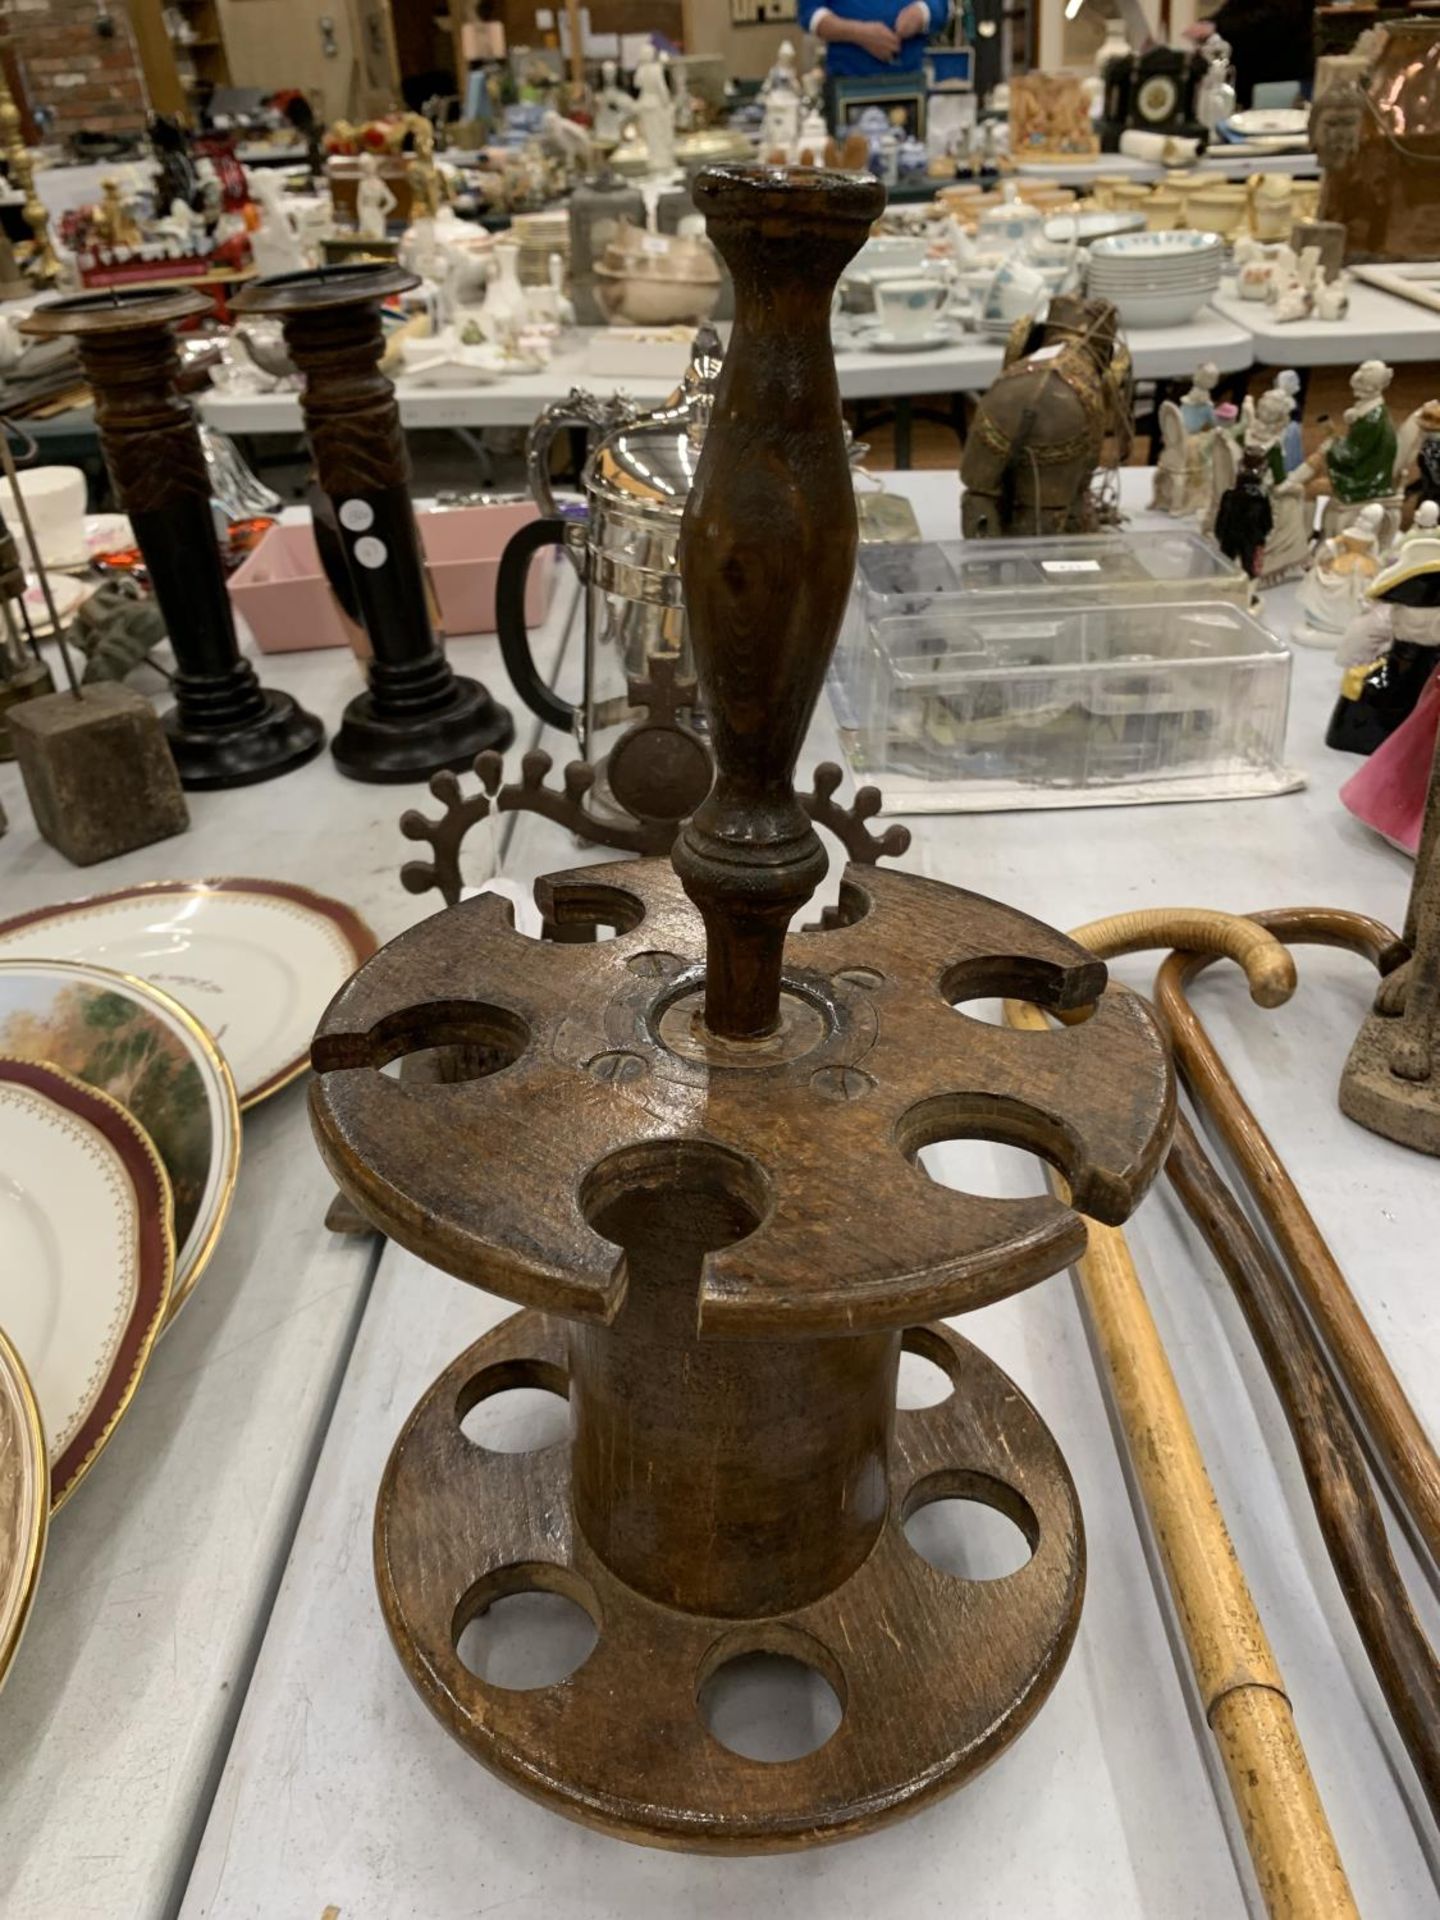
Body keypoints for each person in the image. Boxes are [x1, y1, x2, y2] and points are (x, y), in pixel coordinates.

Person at [799, 0, 950, 78]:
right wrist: (858, 33)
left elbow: (943, 7)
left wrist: (922, 13)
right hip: (850, 84)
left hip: (909, 82)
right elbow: (810, 14)